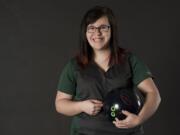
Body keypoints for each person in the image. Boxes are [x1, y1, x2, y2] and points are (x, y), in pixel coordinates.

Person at [55, 6, 161, 135]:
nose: (97, 33)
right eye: (91, 28)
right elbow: (60, 104)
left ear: (112, 30)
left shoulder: (129, 60)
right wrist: (81, 106)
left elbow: (154, 94)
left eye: (103, 27)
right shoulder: (74, 66)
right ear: (85, 32)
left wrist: (139, 119)